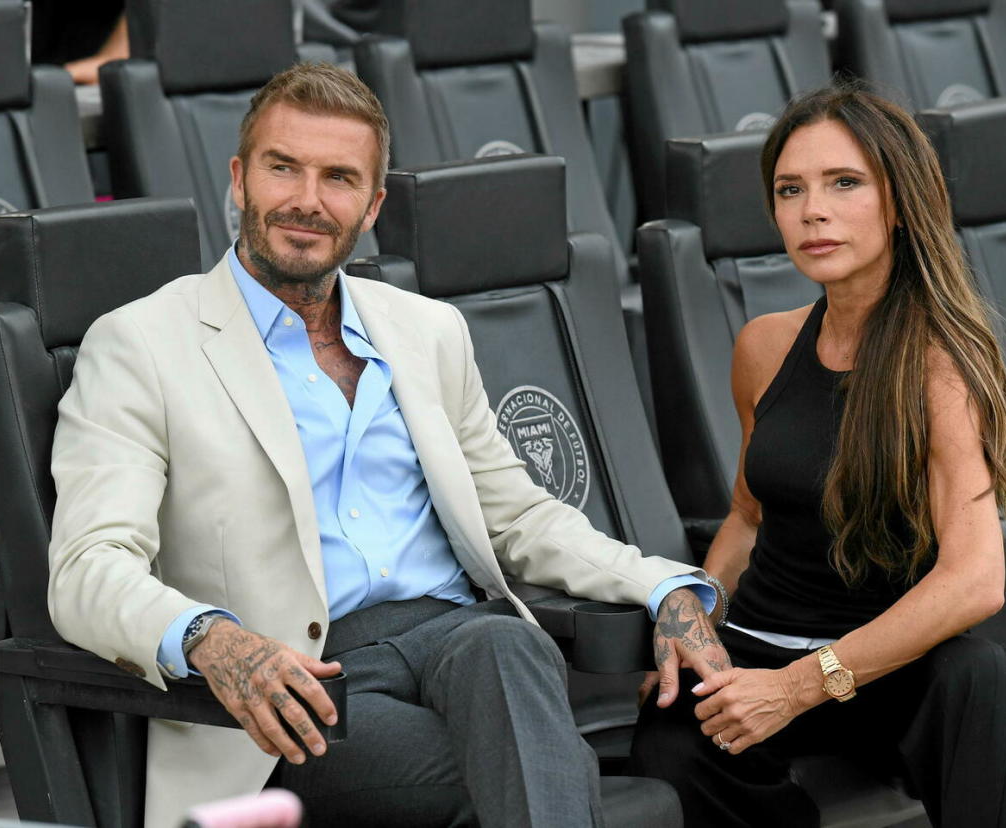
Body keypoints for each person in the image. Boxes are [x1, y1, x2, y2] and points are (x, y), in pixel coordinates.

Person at [47, 63, 730, 828]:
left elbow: (519, 518)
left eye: (338, 178)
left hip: (458, 640)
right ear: (239, 180)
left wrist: (663, 586)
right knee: (521, 781)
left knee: (507, 650)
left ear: (371, 207)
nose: (307, 200)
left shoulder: (425, 329)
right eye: (283, 168)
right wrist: (212, 639)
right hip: (304, 682)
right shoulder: (142, 343)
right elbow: (87, 569)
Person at [627, 85, 1006, 827]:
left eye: (843, 183)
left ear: (898, 203)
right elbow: (748, 517)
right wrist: (692, 619)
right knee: (670, 731)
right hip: (760, 640)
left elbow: (977, 581)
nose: (811, 211)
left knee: (975, 673)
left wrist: (797, 686)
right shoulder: (764, 345)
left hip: (886, 665)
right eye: (790, 190)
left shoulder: (942, 364)